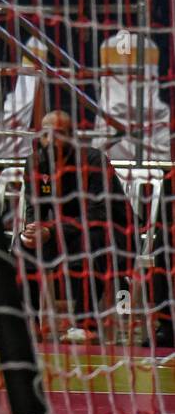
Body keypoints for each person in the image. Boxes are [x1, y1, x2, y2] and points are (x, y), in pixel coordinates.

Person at [16, 110, 134, 343]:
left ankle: (85, 324)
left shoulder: (93, 160)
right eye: (46, 134)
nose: (51, 140)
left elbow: (98, 213)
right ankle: (29, 322)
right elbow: (33, 208)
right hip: (65, 232)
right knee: (22, 246)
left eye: (58, 134)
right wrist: (32, 231)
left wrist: (51, 230)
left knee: (91, 240)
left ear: (72, 137)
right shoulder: (35, 163)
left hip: (113, 234)